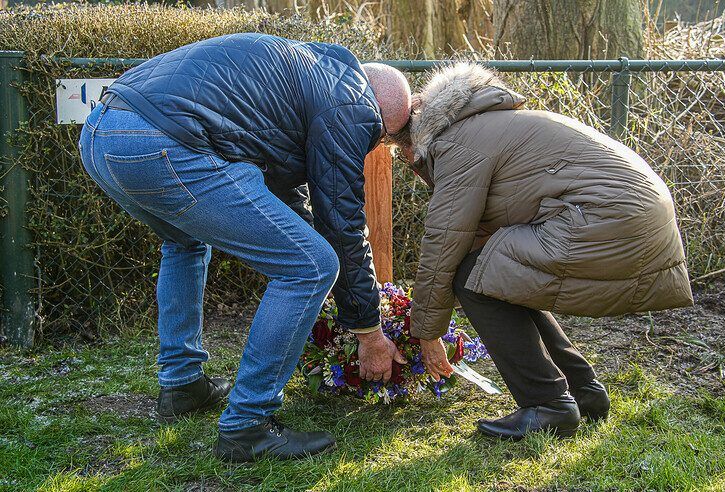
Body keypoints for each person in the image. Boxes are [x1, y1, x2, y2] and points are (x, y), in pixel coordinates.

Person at [78, 33, 411, 462]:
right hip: (163, 142)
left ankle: (182, 385)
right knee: (310, 267)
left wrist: (339, 298)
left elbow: (287, 195)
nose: (377, 144)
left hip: (103, 133)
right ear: (382, 114)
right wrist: (368, 330)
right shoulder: (353, 106)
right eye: (384, 139)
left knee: (184, 244)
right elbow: (343, 226)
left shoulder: (315, 75)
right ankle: (248, 425)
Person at [388, 62, 693, 440]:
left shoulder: (457, 143)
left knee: (472, 279)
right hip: (633, 214)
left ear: (410, 140)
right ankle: (583, 391)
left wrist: (426, 334)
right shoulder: (486, 125)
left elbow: (442, 241)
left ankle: (548, 403)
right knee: (499, 272)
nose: (409, 167)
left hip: (609, 219)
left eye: (403, 157)